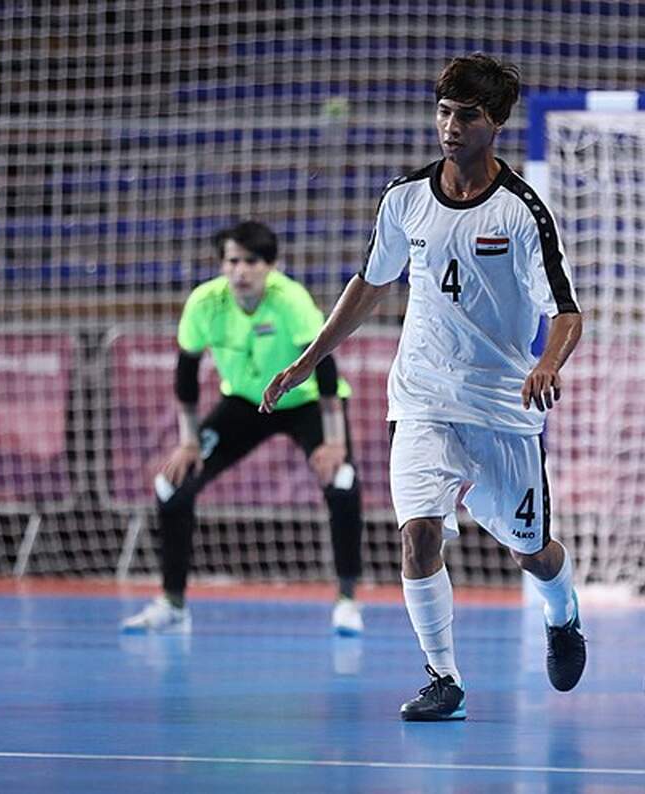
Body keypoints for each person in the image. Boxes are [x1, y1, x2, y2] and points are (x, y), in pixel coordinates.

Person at [261, 53, 585, 720]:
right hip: (422, 399)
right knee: (418, 536)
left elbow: (568, 313)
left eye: (465, 115)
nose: (449, 125)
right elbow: (371, 285)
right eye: (442, 111)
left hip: (501, 406)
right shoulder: (404, 198)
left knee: (533, 555)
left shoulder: (524, 213)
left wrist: (547, 363)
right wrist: (306, 359)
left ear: (493, 122)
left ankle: (563, 613)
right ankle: (443, 677)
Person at [121, 220, 365, 636]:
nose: (240, 271)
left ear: (271, 265)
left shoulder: (291, 300)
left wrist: (336, 441)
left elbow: (324, 368)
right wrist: (188, 441)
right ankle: (173, 604)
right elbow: (185, 376)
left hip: (305, 402)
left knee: (342, 483)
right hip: (244, 403)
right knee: (173, 487)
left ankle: (347, 601)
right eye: (232, 261)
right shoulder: (205, 303)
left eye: (252, 261)